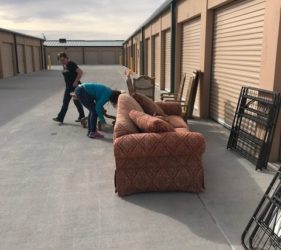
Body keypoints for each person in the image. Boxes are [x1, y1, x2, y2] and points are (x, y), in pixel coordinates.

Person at [53, 52, 85, 125]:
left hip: (75, 87)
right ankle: (60, 118)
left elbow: (80, 72)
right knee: (66, 103)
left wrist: (76, 81)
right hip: (68, 87)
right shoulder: (65, 65)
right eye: (60, 60)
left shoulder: (71, 64)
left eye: (63, 59)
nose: (62, 61)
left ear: (67, 58)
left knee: (76, 102)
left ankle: (81, 117)